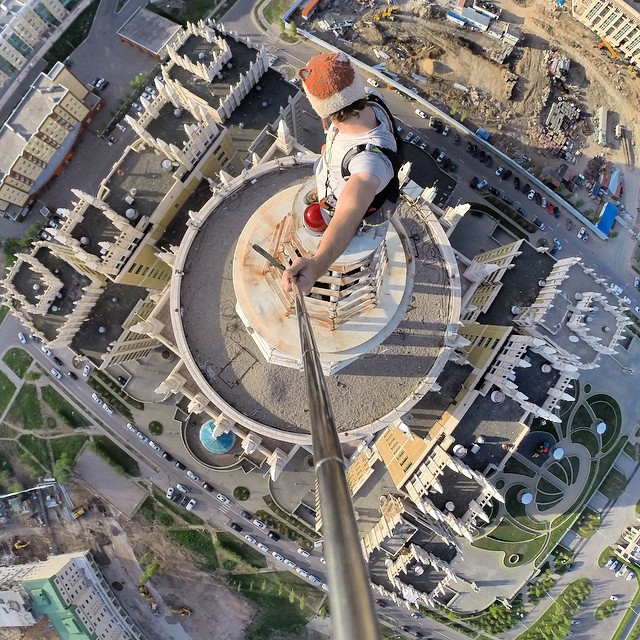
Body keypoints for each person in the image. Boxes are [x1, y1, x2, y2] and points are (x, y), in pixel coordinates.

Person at [282, 52, 399, 295]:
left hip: (338, 202)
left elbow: (347, 215)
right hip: (333, 180)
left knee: (335, 222)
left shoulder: (369, 164)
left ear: (322, 111)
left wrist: (317, 265)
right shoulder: (372, 100)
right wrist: (331, 151)